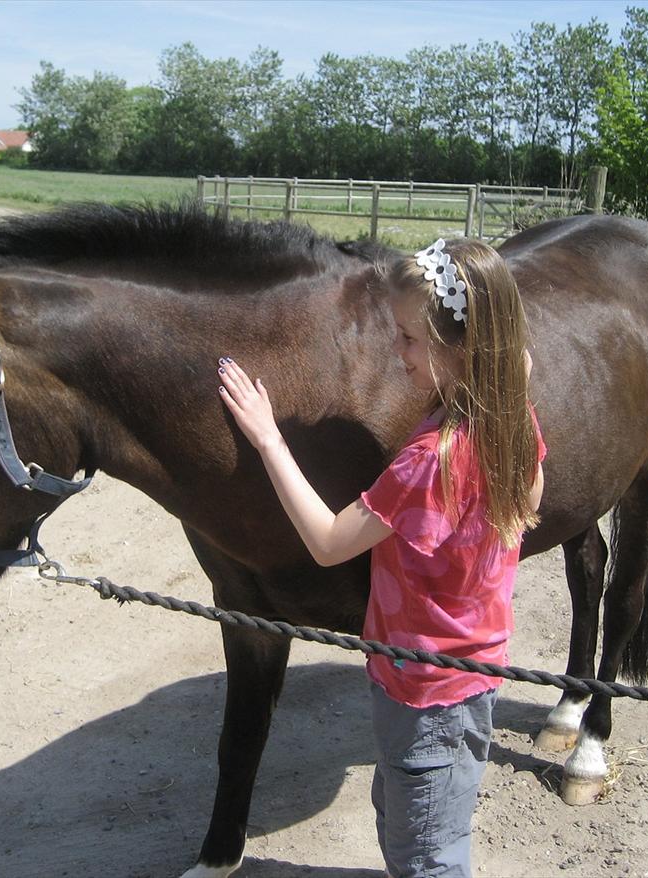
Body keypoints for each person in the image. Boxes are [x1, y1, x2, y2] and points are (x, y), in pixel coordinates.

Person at [216, 237, 546, 878]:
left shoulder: (431, 461)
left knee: (426, 856)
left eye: (411, 339)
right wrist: (510, 380)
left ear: (465, 348)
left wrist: (266, 437)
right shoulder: (511, 423)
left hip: (426, 696)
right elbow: (531, 492)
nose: (399, 351)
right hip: (465, 679)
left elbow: (329, 542)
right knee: (409, 825)